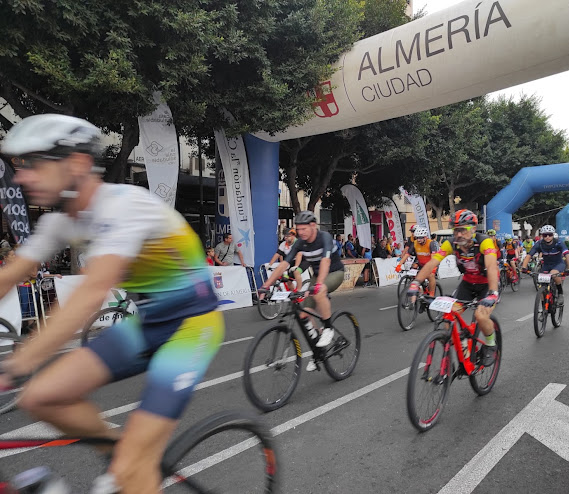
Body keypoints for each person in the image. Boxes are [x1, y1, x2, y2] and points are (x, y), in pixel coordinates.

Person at [0, 114, 223, 494]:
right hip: (147, 324)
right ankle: (120, 454)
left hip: (192, 327)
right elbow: (9, 277)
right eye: (18, 166)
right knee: (39, 397)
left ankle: (131, 465)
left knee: (132, 466)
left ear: (77, 163)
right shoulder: (59, 223)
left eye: (33, 163)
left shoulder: (124, 205)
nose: (21, 177)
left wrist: (17, 364)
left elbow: (92, 291)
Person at [411, 210, 499, 366]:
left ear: (473, 229)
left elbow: (492, 266)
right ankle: (462, 350)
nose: (458, 234)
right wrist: (415, 283)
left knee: (480, 316)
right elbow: (432, 263)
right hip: (467, 283)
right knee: (448, 315)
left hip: (486, 285)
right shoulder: (451, 243)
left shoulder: (484, 242)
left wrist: (493, 293)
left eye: (463, 230)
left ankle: (491, 344)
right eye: (455, 230)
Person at [260, 212, 345, 370]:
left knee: (319, 291)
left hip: (334, 273)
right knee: (303, 314)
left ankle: (328, 328)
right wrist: (266, 285)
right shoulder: (300, 243)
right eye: (298, 229)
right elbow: (284, 264)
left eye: (304, 229)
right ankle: (318, 351)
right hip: (317, 276)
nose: (301, 232)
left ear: (313, 226)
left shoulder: (324, 237)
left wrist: (319, 284)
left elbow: (325, 261)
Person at [521, 225, 569, 305]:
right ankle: (544, 306)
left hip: (558, 264)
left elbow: (567, 256)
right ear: (542, 235)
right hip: (546, 265)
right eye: (545, 235)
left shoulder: (559, 243)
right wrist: (524, 267)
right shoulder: (539, 244)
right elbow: (529, 256)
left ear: (553, 235)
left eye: (550, 235)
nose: (547, 237)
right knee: (541, 284)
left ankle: (560, 293)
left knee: (554, 274)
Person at [396, 226, 439, 298]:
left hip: (431, 263)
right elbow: (407, 254)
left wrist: (433, 268)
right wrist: (399, 265)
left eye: (420, 238)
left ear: (425, 237)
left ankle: (431, 294)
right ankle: (420, 289)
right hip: (421, 263)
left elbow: (433, 258)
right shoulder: (415, 243)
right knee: (415, 271)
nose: (418, 239)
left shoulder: (431, 243)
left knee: (430, 276)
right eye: (417, 237)